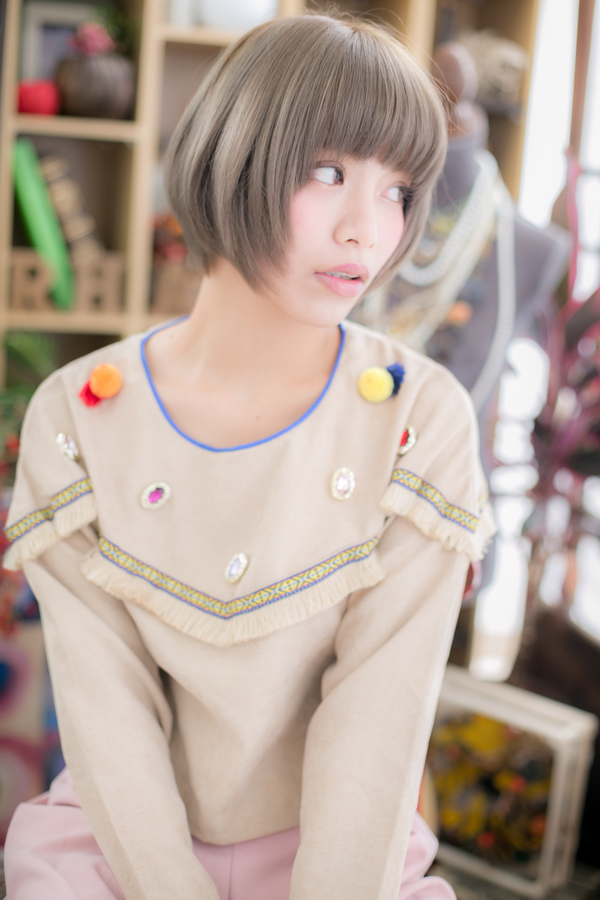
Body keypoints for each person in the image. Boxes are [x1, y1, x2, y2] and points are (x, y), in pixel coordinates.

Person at [3, 14, 494, 900]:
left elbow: (378, 718)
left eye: (398, 189)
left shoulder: (421, 418)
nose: (367, 230)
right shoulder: (78, 415)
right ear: (232, 156)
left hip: (336, 852)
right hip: (115, 841)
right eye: (329, 172)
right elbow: (108, 710)